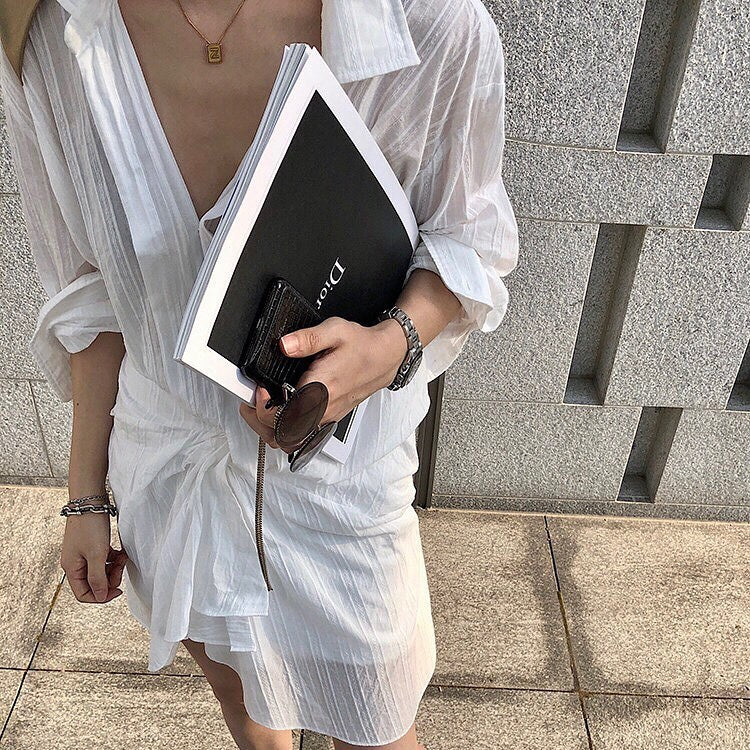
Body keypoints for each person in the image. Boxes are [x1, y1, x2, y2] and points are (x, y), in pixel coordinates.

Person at [0, 0, 518, 747]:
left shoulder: (426, 22)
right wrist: (85, 497)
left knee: (376, 718)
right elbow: (92, 298)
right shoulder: (48, 35)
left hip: (342, 485)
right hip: (170, 477)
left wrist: (391, 344)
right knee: (243, 700)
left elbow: (466, 238)